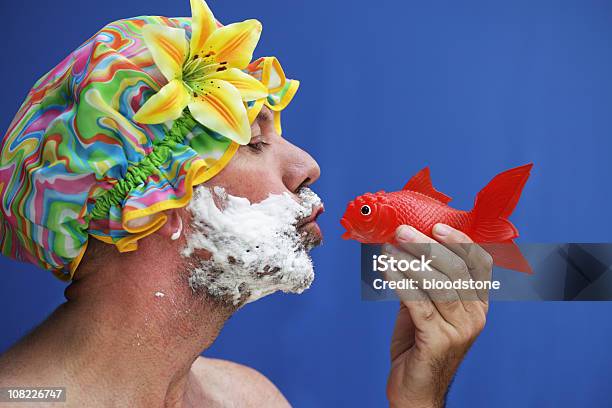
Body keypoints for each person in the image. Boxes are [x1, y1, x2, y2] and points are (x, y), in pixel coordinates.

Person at [0, 1, 492, 406]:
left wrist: (420, 399)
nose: (308, 165)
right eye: (254, 141)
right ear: (153, 199)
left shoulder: (249, 398)